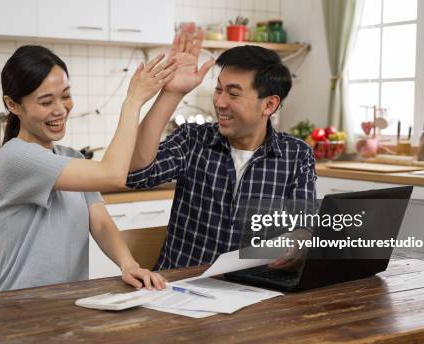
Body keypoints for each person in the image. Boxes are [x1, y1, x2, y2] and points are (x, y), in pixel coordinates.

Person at [126, 27, 317, 271]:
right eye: (218, 89)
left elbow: (304, 222)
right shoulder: (192, 140)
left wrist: (300, 241)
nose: (220, 102)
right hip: (180, 288)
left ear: (269, 104)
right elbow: (136, 174)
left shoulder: (297, 155)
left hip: (253, 292)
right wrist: (171, 94)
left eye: (233, 94)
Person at [0, 45, 175, 292]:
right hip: (21, 307)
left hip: (70, 304)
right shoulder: (15, 157)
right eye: (46, 101)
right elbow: (113, 175)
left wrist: (128, 264)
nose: (60, 109)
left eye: (65, 96)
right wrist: (133, 101)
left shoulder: (70, 156)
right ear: (13, 105)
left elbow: (99, 222)